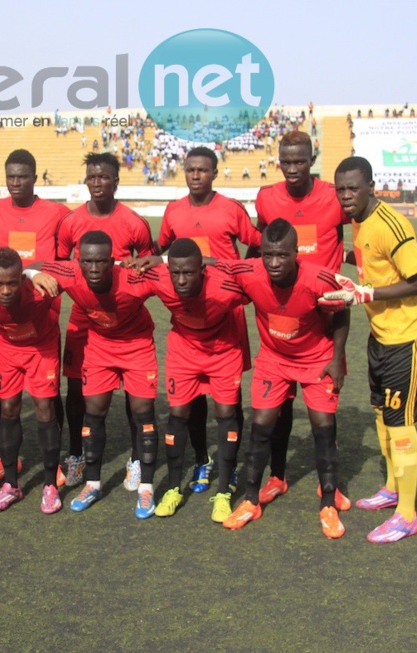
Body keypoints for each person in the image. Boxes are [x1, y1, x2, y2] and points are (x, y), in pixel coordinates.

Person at [322, 156, 417, 543]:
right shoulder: (358, 221)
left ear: (372, 185)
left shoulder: (391, 223)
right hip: (381, 333)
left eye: (353, 188)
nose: (346, 196)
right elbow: (374, 259)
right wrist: (342, 259)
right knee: (382, 414)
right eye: (340, 189)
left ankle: (407, 513)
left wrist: (366, 292)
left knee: (401, 422)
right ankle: (391, 487)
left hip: (409, 335)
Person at [218, 219, 350, 539]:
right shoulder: (251, 272)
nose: (274, 263)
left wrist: (336, 359)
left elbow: (344, 309)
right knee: (261, 426)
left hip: (316, 360)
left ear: (296, 253)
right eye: (268, 255)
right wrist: (161, 260)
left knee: (323, 428)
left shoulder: (318, 278)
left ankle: (328, 502)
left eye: (282, 256)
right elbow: (213, 265)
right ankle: (251, 499)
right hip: (274, 360)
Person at [249, 129, 352, 510]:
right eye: (286, 161)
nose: (293, 169)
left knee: (323, 412)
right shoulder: (266, 198)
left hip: (324, 318)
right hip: (281, 312)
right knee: (278, 408)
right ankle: (278, 475)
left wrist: (359, 258)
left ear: (312, 159)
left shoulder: (331, 196)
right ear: (278, 161)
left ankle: (331, 485)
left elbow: (358, 220)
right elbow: (259, 242)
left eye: (300, 161)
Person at [155, 146, 260, 498]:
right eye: (190, 170)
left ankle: (230, 465)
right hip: (189, 314)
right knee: (190, 396)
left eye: (202, 170)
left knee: (227, 399)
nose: (195, 175)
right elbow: (162, 249)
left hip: (225, 313)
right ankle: (202, 459)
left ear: (214, 173)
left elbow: (257, 244)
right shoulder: (173, 211)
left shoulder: (230, 209)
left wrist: (238, 272)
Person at [35, 232, 160, 518]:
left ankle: (147, 488)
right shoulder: (69, 272)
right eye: (87, 261)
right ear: (77, 261)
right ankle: (92, 483)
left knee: (143, 413)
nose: (93, 268)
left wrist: (158, 259)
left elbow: (181, 269)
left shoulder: (134, 279)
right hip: (100, 347)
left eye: (101, 262)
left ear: (113, 261)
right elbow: (30, 265)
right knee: (93, 412)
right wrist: (32, 275)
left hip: (136, 346)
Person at [56, 152, 157, 494]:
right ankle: (76, 455)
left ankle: (135, 459)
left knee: (135, 393)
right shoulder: (71, 222)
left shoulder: (133, 223)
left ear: (116, 181)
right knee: (74, 388)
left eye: (104, 177)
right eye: (92, 177)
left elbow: (148, 264)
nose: (97, 183)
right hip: (83, 315)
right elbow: (60, 266)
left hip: (121, 314)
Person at [0, 149, 72, 484]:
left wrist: (35, 273)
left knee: (48, 396)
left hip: (42, 316)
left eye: (22, 176)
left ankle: (53, 462)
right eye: (10, 176)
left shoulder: (56, 213)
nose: (16, 183)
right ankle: (6, 458)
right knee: (5, 397)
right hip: (4, 316)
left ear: (35, 176)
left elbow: (69, 256)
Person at [130, 239, 249, 520]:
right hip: (184, 351)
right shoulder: (159, 276)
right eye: (176, 273)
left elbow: (258, 277)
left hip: (223, 350)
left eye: (189, 273)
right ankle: (173, 488)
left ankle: (224, 491)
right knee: (178, 414)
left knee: (226, 413)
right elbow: (115, 273)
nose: (181, 280)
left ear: (202, 270)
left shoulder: (226, 285)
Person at [0, 248, 63, 513]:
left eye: (12, 283)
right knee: (8, 408)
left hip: (41, 349)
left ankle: (49, 485)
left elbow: (70, 268)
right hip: (7, 350)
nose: (6, 290)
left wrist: (34, 271)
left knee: (45, 408)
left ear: (22, 281)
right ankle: (11, 485)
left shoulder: (41, 291)